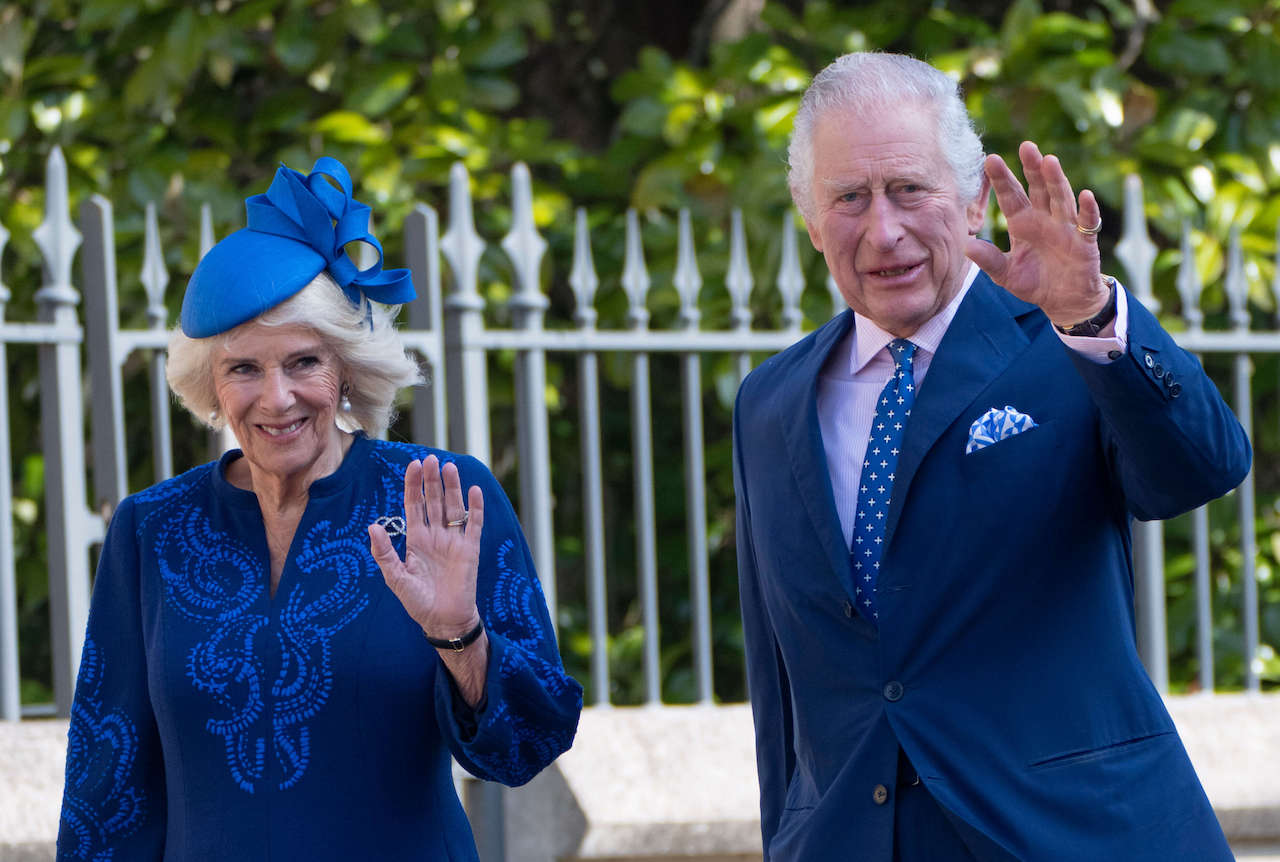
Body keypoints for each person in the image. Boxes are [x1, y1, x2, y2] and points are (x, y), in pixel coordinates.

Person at [733, 52, 1250, 862]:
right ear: (808, 219)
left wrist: (1087, 316)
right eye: (848, 199)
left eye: (909, 189)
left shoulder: (1069, 342)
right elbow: (781, 683)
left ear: (974, 199)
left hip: (1073, 835)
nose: (884, 230)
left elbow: (1202, 469)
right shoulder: (769, 403)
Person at [56, 157, 582, 860]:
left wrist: (463, 638)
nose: (276, 398)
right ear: (210, 386)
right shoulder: (153, 529)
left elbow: (529, 745)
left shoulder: (438, 495)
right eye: (244, 368)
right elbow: (107, 785)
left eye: (303, 362)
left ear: (347, 371)